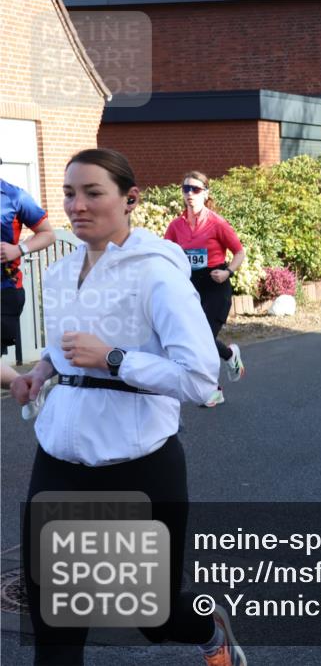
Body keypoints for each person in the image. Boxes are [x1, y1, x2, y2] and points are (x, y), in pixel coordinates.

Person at [10, 148, 245, 666]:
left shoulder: (157, 273)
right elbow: (62, 346)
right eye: (70, 193)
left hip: (140, 469)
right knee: (55, 629)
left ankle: (210, 632)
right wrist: (39, 375)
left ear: (130, 199)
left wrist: (115, 359)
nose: (78, 205)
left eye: (94, 192)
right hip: (59, 466)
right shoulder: (61, 271)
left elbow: (202, 380)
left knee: (155, 618)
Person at [164, 171, 246, 407]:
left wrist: (228, 272)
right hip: (189, 287)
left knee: (202, 339)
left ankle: (214, 390)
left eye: (196, 189)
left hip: (215, 285)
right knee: (194, 339)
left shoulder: (216, 223)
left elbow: (239, 252)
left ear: (206, 193)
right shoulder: (176, 226)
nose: (190, 193)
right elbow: (166, 252)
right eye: (186, 188)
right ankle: (230, 355)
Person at [1, 179, 55, 357]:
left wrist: (18, 249)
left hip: (4, 290)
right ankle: (24, 384)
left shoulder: (15, 196)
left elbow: (48, 234)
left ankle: (26, 383)